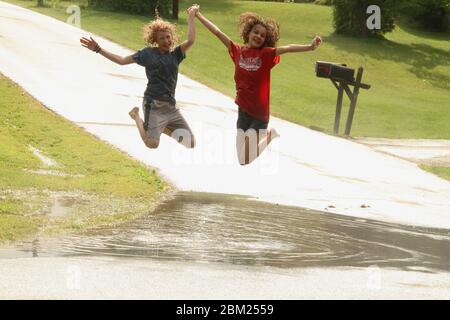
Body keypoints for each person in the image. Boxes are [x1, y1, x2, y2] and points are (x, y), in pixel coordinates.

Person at [194, 6, 321, 165]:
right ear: (248, 33)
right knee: (242, 160)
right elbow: (218, 32)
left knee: (246, 157)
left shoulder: (266, 54)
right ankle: (269, 136)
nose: (258, 36)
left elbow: (287, 49)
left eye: (262, 35)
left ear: (265, 40)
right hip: (243, 113)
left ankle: (270, 136)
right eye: (256, 32)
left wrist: (310, 47)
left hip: (259, 116)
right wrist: (198, 15)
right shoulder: (237, 51)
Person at [80, 6, 200, 149]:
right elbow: (122, 60)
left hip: (170, 107)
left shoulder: (176, 54)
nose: (166, 41)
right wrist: (98, 49)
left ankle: (158, 128)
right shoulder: (147, 54)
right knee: (152, 144)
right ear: (155, 40)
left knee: (190, 143)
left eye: (168, 37)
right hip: (153, 104)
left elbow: (191, 40)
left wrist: (191, 17)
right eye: (162, 38)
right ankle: (137, 117)